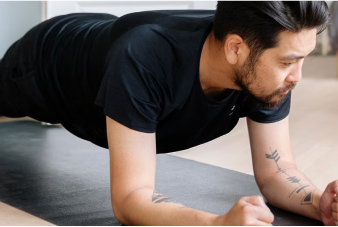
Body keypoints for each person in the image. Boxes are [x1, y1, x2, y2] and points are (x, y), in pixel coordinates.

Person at [0, 0, 337, 226]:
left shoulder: (263, 70)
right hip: (45, 60)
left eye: (302, 59)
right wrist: (217, 223)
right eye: (288, 61)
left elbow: (278, 171)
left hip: (105, 36)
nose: (297, 76)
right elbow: (130, 199)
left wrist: (317, 202)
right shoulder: (144, 57)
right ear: (236, 48)